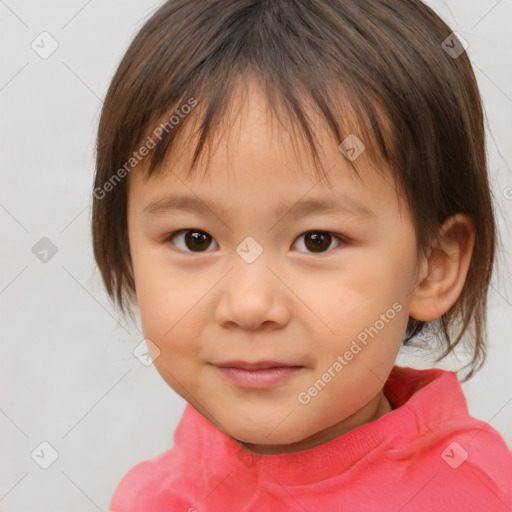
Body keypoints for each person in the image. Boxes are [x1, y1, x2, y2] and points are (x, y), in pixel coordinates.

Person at [91, 0, 512, 510]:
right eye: (194, 239)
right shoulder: (157, 490)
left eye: (317, 240)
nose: (248, 306)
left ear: (433, 268)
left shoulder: (461, 497)